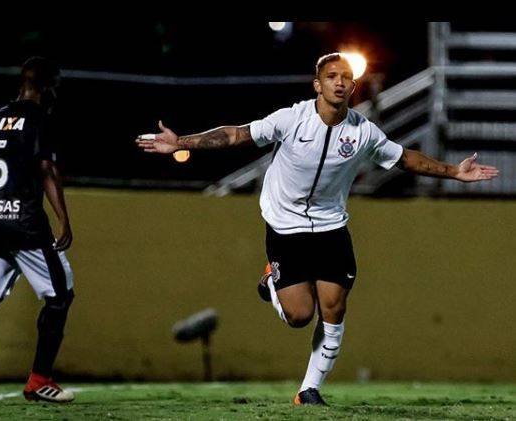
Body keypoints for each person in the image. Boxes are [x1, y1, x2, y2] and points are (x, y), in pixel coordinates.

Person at [136, 52, 499, 405]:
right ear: (317, 85)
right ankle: (272, 281)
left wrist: (454, 171)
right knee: (299, 316)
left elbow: (403, 158)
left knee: (334, 308)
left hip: (330, 227)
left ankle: (309, 390)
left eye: (346, 78)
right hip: (285, 225)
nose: (340, 83)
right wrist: (182, 143)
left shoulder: (363, 131)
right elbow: (237, 135)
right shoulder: (291, 119)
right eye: (332, 77)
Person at [0, 57, 75, 405]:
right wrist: (63, 219)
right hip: (23, 221)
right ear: (46, 86)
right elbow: (46, 169)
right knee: (61, 295)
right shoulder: (40, 117)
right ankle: (40, 379)